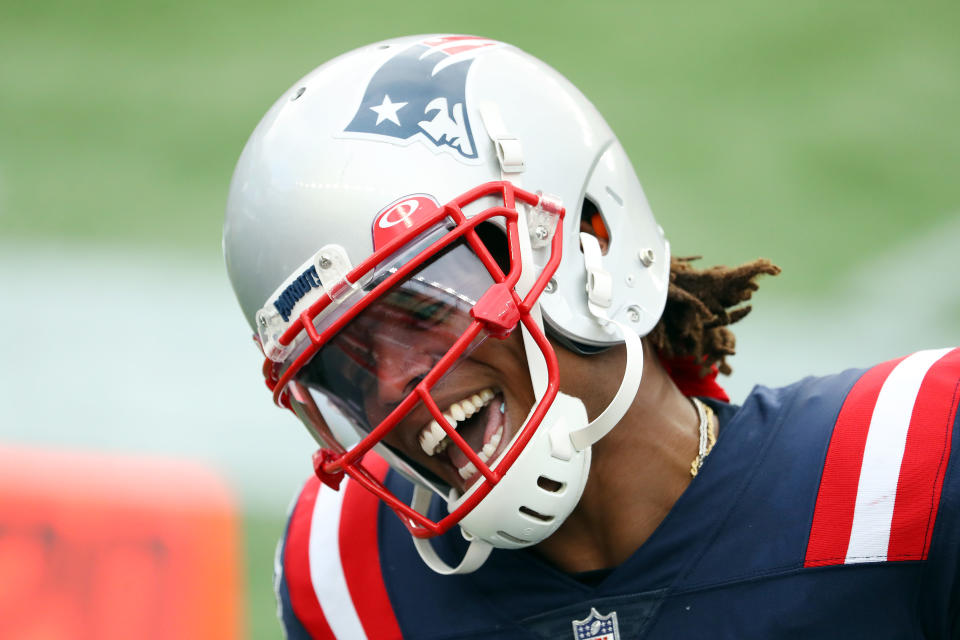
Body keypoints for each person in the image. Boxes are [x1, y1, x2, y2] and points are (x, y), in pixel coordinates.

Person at [223, 35, 960, 639]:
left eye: (420, 311)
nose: (390, 383)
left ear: (590, 243)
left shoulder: (906, 467)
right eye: (344, 364)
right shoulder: (348, 575)